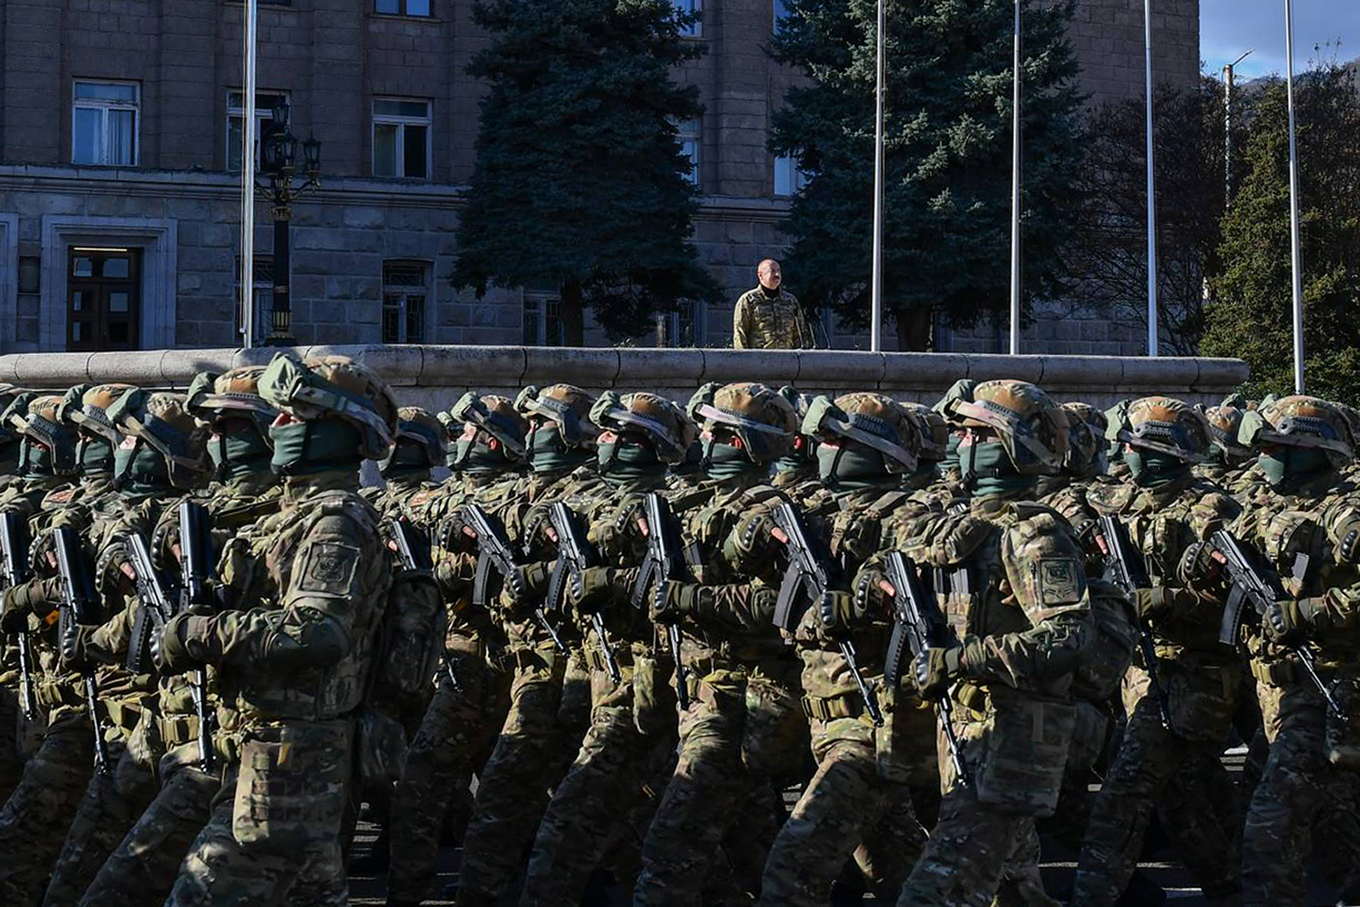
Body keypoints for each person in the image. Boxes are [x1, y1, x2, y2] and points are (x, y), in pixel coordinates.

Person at [159, 353, 398, 906]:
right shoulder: (293, 514)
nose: (278, 426)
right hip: (272, 749)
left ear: (338, 430)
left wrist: (200, 632)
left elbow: (317, 633)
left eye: (295, 416)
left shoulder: (335, 521)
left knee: (199, 893)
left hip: (293, 759)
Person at [732, 259, 815, 350]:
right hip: (760, 359)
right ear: (760, 275)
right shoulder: (748, 300)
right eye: (772, 271)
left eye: (779, 271)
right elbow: (740, 333)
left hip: (788, 359)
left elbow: (800, 333)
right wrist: (745, 360)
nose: (777, 275)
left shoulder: (790, 301)